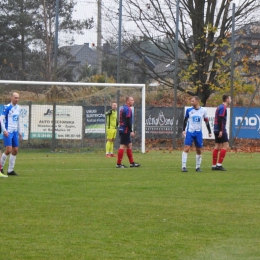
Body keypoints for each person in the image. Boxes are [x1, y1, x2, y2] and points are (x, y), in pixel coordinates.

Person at [182, 96, 212, 172]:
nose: (191, 102)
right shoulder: (189, 110)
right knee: (186, 148)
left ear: (197, 101)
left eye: (193, 101)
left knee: (199, 150)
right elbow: (185, 120)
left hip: (198, 132)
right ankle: (184, 167)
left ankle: (198, 167)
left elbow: (206, 121)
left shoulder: (203, 110)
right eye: (191, 101)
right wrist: (183, 130)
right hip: (190, 132)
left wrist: (209, 131)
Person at [0, 92, 22, 176]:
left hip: (15, 132)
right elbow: (1, 119)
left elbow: (18, 120)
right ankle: (0, 168)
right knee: (8, 150)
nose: (17, 99)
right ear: (11, 98)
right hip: (8, 132)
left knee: (15, 150)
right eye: (15, 98)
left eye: (18, 98)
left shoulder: (18, 107)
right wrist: (4, 130)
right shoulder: (7, 107)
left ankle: (10, 170)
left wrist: (19, 132)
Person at [116, 96, 141, 168]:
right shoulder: (128, 109)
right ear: (127, 101)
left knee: (129, 145)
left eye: (133, 100)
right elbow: (127, 120)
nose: (133, 101)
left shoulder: (122, 108)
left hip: (122, 129)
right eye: (132, 100)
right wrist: (131, 130)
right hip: (125, 130)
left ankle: (132, 163)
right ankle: (118, 164)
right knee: (122, 146)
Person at [212, 94, 232, 171]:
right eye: (230, 98)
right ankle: (219, 165)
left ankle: (214, 166)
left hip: (216, 129)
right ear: (226, 99)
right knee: (226, 146)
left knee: (217, 146)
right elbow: (221, 119)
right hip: (221, 129)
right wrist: (221, 130)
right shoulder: (223, 108)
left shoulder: (219, 107)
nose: (231, 100)